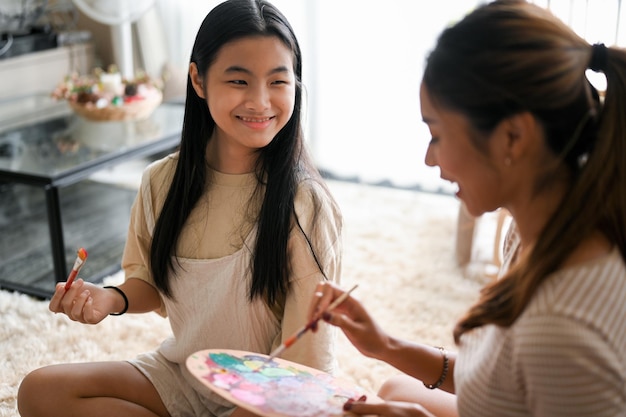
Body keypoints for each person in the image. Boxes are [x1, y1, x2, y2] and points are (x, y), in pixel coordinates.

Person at [17, 0, 342, 416]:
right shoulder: (161, 182)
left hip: (274, 394)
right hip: (186, 373)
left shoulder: (306, 204)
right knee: (40, 391)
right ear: (199, 80)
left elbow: (307, 363)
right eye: (239, 81)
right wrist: (107, 299)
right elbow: (149, 284)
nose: (261, 101)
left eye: (278, 82)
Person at [308, 1, 626, 416]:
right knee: (392, 386)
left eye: (436, 134)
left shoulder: (560, 330)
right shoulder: (543, 225)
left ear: (512, 137)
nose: (428, 158)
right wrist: (385, 345)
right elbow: (506, 381)